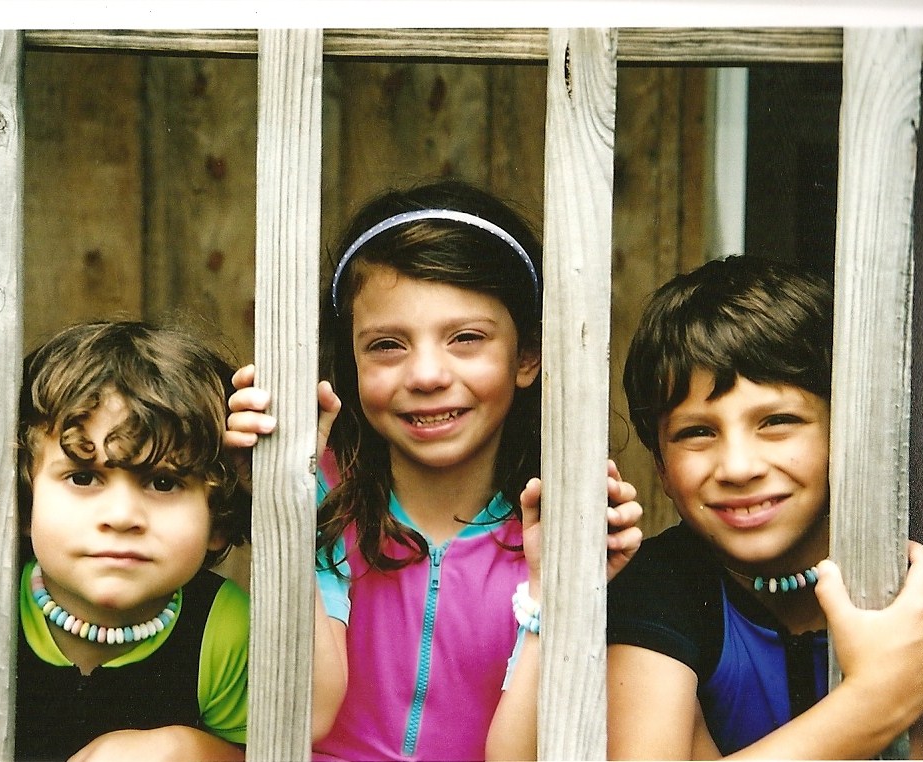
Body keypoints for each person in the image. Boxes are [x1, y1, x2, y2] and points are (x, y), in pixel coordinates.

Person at [225, 179, 644, 761]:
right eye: (387, 345)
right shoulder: (323, 494)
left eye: (466, 339)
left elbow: (518, 758)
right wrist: (284, 504)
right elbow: (309, 714)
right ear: (351, 360)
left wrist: (555, 593)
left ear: (527, 355)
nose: (426, 375)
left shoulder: (558, 525)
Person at [605, 254, 923, 759]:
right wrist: (879, 700)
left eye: (777, 422)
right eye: (697, 432)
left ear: (845, 433)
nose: (738, 467)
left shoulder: (918, 579)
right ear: (661, 467)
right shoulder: (657, 586)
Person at [0, 320, 253, 762]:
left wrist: (184, 750)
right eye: (83, 477)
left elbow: (286, 744)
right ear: (24, 500)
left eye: (163, 483)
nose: (121, 516)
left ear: (218, 518)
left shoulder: (224, 632)